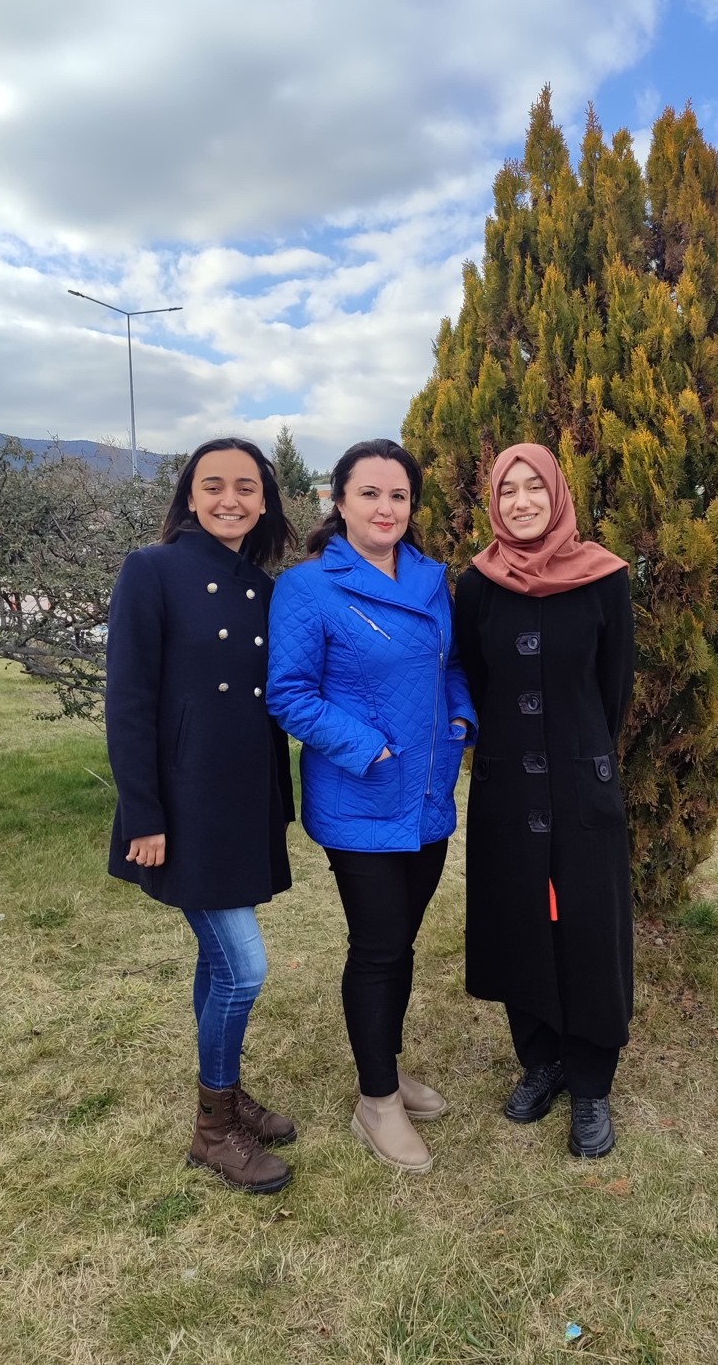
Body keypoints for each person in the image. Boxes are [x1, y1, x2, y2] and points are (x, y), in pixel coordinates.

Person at [267, 439, 476, 1174]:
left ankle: (385, 1064)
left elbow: (452, 665)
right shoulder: (308, 588)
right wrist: (369, 748)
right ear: (339, 501)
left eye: (398, 496)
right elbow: (289, 693)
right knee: (379, 945)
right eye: (369, 494)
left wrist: (461, 719)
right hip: (361, 795)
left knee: (401, 943)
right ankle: (376, 1101)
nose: (385, 509)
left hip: (429, 793)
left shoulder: (430, 579)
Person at [106, 438, 299, 1194]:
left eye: (246, 486)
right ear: (190, 495)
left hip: (243, 800)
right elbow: (129, 701)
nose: (230, 499)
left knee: (216, 962)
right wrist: (143, 814)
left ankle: (226, 1092)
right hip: (183, 807)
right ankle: (213, 1130)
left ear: (264, 500)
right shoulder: (150, 570)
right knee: (244, 968)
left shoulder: (264, 586)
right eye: (213, 485)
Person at [454, 443, 635, 1158]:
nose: (522, 501)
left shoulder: (604, 579)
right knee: (519, 923)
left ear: (557, 494)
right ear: (493, 502)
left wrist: (581, 755)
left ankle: (590, 1083)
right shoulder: (477, 585)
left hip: (581, 782)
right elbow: (475, 677)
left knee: (588, 931)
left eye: (535, 487)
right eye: (508, 489)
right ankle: (541, 1060)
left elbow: (612, 688)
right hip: (507, 786)